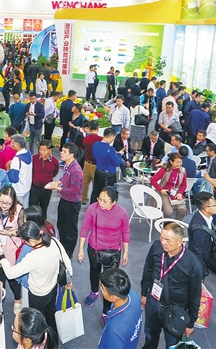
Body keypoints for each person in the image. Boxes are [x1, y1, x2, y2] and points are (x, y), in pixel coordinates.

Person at [0, 221, 73, 338]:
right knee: (50, 314)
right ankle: (53, 339)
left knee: (36, 321)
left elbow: (10, 274)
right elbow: (67, 263)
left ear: (30, 241)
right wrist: (68, 280)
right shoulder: (54, 241)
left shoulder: (33, 257)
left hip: (38, 294)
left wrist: (0, 252)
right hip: (53, 288)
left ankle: (41, 341)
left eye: (24, 241)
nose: (24, 243)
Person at [141, 222, 202, 349]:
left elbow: (195, 295)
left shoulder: (193, 264)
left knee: (172, 344)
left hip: (175, 310)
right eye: (161, 237)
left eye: (167, 240)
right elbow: (148, 269)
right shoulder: (156, 247)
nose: (163, 242)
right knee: (150, 337)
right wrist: (144, 293)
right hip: (153, 302)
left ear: (180, 242)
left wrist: (191, 323)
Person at [78, 187, 130, 316]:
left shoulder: (122, 213)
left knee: (110, 282)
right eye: (99, 199)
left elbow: (125, 232)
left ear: (113, 202)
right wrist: (80, 249)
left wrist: (126, 252)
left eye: (105, 201)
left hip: (113, 252)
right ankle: (94, 291)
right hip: (94, 248)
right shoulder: (92, 209)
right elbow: (85, 228)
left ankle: (105, 312)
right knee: (94, 272)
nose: (100, 203)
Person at [42, 142, 82, 259]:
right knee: (61, 225)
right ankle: (62, 248)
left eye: (64, 151)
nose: (61, 153)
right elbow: (64, 178)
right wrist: (57, 182)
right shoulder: (66, 165)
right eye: (62, 151)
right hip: (64, 199)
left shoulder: (76, 170)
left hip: (72, 203)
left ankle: (68, 254)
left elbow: (75, 190)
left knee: (70, 230)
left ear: (72, 155)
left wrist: (57, 188)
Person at [0, 186, 24, 313]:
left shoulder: (19, 210)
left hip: (10, 249)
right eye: (2, 202)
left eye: (8, 203)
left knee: (12, 277)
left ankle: (18, 299)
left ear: (13, 202)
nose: (4, 205)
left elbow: (24, 231)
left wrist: (10, 232)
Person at [98, 268, 143, 349]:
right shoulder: (133, 296)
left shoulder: (115, 330)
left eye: (103, 288)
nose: (100, 289)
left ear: (114, 298)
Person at [187, 192, 216, 275]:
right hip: (201, 261)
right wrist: (200, 273)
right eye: (214, 205)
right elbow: (198, 253)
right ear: (206, 209)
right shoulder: (199, 229)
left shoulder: (207, 217)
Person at [149, 153, 188, 220]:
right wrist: (161, 190)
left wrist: (180, 193)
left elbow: (184, 184)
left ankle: (176, 223)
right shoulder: (164, 170)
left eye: (181, 162)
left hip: (176, 193)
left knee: (182, 209)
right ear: (171, 162)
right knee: (169, 211)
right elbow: (153, 180)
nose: (179, 164)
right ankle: (164, 221)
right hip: (165, 192)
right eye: (177, 162)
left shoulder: (182, 170)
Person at [29, 140, 59, 220]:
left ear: (50, 150)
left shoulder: (55, 162)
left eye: (44, 150)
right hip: (34, 189)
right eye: (40, 150)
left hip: (47, 190)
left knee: (43, 209)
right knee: (32, 209)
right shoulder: (34, 158)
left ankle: (43, 225)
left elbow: (55, 173)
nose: (42, 152)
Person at [91, 128, 123, 203]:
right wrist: (119, 155)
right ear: (111, 136)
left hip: (98, 171)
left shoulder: (96, 144)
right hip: (108, 175)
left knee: (96, 191)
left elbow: (94, 156)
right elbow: (117, 163)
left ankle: (93, 206)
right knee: (108, 194)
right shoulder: (111, 149)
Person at [7, 134, 33, 208]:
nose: (11, 144)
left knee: (17, 210)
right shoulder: (28, 153)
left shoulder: (17, 159)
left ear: (18, 145)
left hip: (18, 190)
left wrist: (8, 170)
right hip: (26, 187)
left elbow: (13, 179)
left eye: (12, 143)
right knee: (24, 208)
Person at [81, 120, 102, 204]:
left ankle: (83, 199)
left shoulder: (85, 139)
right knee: (96, 184)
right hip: (96, 165)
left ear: (89, 128)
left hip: (86, 163)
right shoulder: (101, 140)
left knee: (85, 183)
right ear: (98, 128)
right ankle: (95, 201)